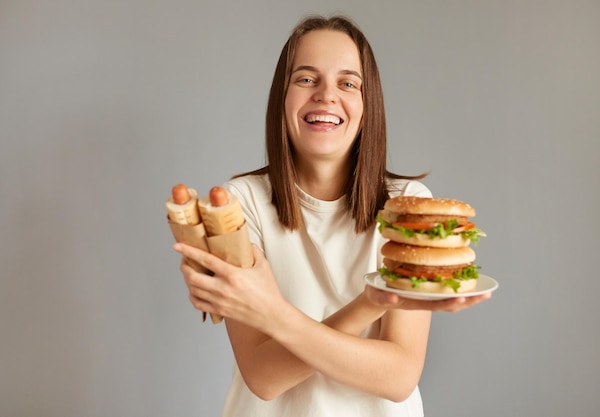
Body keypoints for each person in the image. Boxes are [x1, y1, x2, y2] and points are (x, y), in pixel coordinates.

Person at [173, 14, 491, 417]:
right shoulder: (239, 204)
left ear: (366, 104)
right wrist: (373, 302)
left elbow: (398, 377)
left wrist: (274, 315)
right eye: (306, 79)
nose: (326, 95)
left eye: (347, 83)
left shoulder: (408, 206)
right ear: (282, 97)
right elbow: (263, 377)